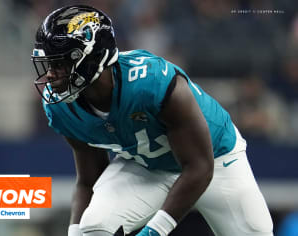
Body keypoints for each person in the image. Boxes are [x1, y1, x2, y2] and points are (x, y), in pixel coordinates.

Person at [31, 5, 273, 236]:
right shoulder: (62, 106)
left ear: (94, 57)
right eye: (49, 63)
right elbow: (87, 180)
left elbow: (200, 167)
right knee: (95, 226)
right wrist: (74, 232)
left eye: (60, 63)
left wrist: (155, 231)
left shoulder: (151, 82)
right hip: (147, 164)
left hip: (216, 159)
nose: (51, 74)